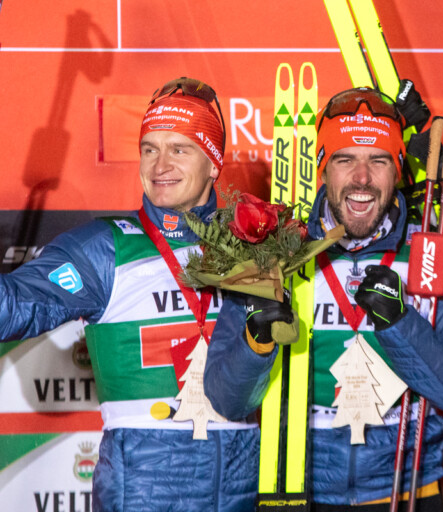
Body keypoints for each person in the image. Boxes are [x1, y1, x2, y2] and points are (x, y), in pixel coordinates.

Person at [204, 86, 443, 511]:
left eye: (378, 160)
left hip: (406, 493)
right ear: (323, 169)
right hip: (299, 491)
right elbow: (227, 402)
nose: (361, 178)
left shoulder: (432, 254)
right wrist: (255, 344)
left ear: (398, 169)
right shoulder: (275, 251)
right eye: (345, 160)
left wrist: (402, 325)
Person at [0, 77, 277, 511]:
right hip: (143, 490)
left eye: (179, 149)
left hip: (240, 487)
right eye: (149, 149)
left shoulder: (251, 248)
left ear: (213, 163)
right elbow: (12, 307)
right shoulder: (104, 248)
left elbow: (245, 393)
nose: (159, 165)